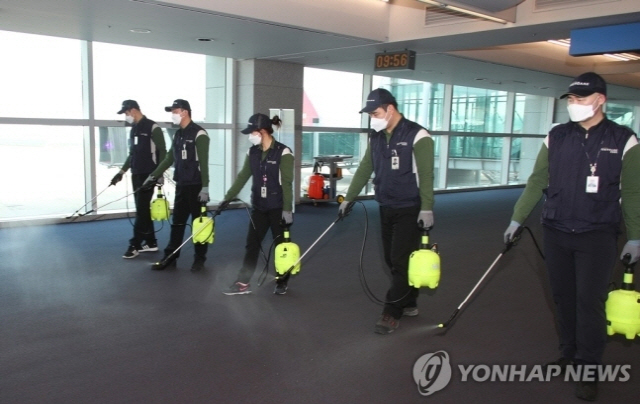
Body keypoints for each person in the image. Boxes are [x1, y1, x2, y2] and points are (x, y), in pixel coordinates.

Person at [503, 72, 640, 401]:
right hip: (557, 230)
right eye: (572, 100)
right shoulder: (557, 136)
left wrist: (635, 237)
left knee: (590, 302)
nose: (574, 105)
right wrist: (517, 218)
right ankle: (568, 353)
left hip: (598, 234)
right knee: (562, 299)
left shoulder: (625, 140)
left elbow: (633, 193)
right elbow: (537, 180)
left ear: (600, 100)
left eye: (581, 99)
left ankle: (589, 366)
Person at [339, 88, 435, 334]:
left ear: (390, 109)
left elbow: (426, 175)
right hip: (385, 205)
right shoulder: (377, 136)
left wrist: (427, 208)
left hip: (410, 208)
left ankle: (391, 313)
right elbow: (365, 168)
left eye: (376, 113)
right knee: (392, 260)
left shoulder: (418, 135)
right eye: (371, 114)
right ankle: (410, 300)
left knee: (401, 260)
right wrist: (349, 198)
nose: (373, 118)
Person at [222, 113, 294, 295]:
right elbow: (243, 177)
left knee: (281, 246)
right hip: (259, 207)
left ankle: (282, 281)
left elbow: (286, 183)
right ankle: (243, 282)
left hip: (278, 207)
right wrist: (227, 198)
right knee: (252, 245)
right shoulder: (252, 152)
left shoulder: (283, 152)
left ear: (262, 131)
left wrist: (287, 209)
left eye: (252, 132)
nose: (250, 136)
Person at [143, 99, 211, 272]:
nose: (172, 115)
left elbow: (204, 163)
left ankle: (199, 259)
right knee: (177, 224)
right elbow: (169, 158)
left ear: (185, 112)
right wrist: (154, 174)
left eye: (175, 111)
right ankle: (170, 257)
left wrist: (205, 187)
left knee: (199, 224)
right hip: (181, 185)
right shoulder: (178, 134)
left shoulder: (199, 134)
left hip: (196, 187)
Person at [111, 100, 167, 259]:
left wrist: (159, 174)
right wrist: (121, 172)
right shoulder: (134, 129)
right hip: (136, 174)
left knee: (141, 210)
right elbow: (132, 154)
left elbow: (163, 152)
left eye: (126, 113)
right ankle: (151, 242)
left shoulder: (153, 127)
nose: (126, 117)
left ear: (133, 110)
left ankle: (134, 244)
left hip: (149, 175)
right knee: (142, 209)